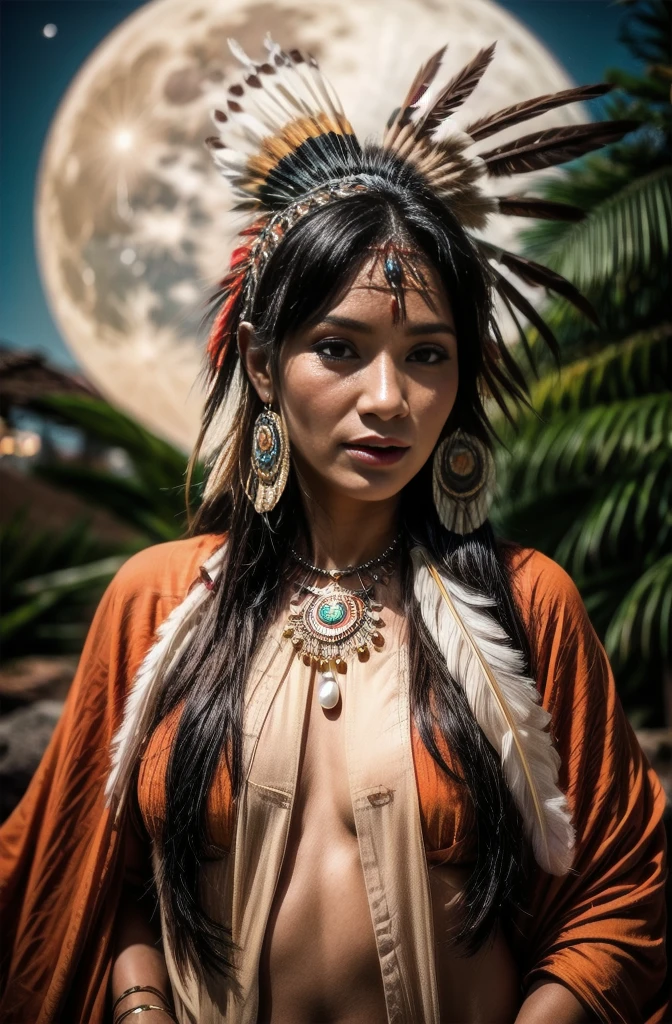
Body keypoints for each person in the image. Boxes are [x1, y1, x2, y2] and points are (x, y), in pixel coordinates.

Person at [0, 36, 667, 1024]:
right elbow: (107, 877)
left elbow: (625, 893)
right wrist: (140, 1010)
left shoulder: (528, 607)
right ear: (266, 367)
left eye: (428, 354)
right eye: (340, 348)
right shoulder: (159, 603)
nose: (388, 398)